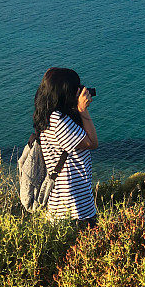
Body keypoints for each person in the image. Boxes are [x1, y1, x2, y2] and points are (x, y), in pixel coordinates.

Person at [33, 67, 99, 229]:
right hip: (74, 209)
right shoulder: (58, 120)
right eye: (75, 87)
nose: (80, 90)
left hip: (70, 205)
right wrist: (83, 110)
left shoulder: (51, 115)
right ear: (63, 92)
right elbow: (92, 142)